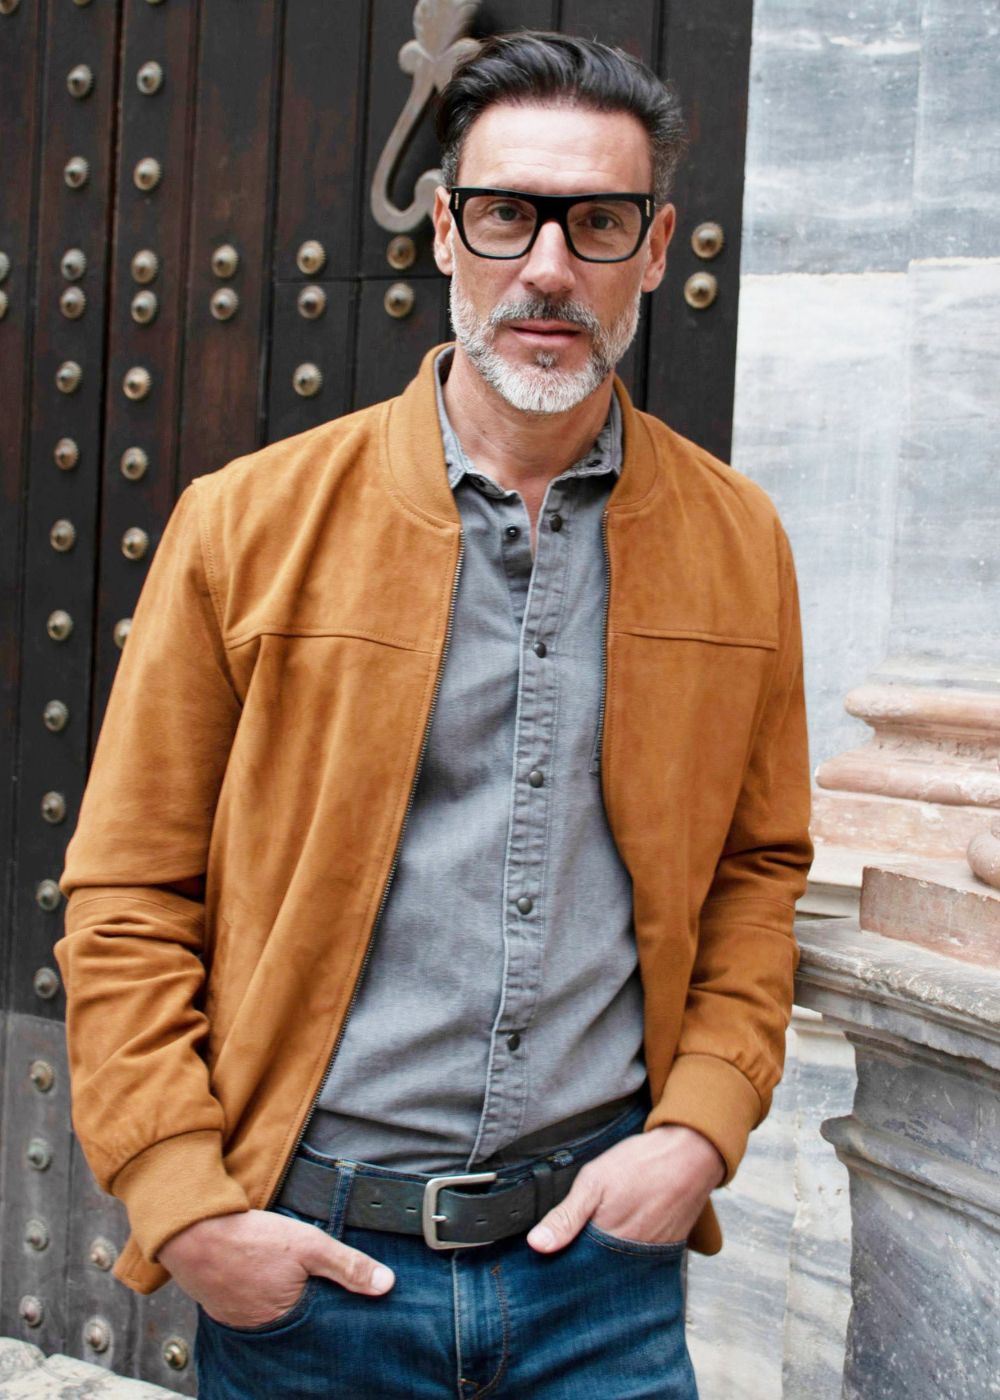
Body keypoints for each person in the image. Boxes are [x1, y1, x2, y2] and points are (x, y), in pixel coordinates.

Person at [56, 30, 812, 1400]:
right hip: (320, 1278)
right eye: (504, 212)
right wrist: (184, 1199)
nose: (546, 266)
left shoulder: (739, 539)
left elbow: (761, 871)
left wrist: (701, 1128)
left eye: (598, 222)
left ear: (655, 250)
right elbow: (128, 888)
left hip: (605, 1281)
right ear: (445, 235)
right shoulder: (247, 523)